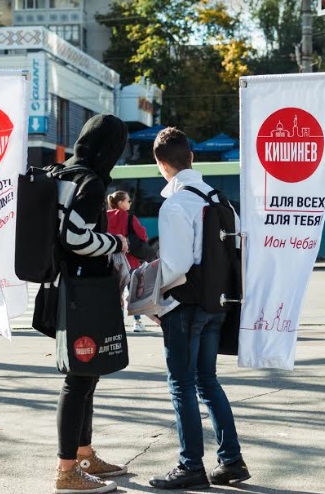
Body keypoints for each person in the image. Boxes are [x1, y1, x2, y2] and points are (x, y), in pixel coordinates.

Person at [148, 127, 250, 490]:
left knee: (182, 384)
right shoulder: (220, 200)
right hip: (217, 306)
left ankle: (191, 465)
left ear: (161, 163)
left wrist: (149, 294)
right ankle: (231, 460)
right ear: (191, 157)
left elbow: (173, 266)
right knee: (208, 381)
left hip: (184, 306)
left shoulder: (176, 204)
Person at [52, 114, 131, 494]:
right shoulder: (92, 181)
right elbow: (75, 236)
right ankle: (67, 471)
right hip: (85, 291)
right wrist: (116, 244)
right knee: (79, 379)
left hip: (68, 286)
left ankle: (83, 455)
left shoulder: (64, 172)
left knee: (88, 374)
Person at [106, 190, 149, 332]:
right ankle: (137, 322)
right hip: (130, 261)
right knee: (133, 293)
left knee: (114, 292)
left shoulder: (105, 216)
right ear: (120, 203)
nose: (130, 203)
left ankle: (116, 322)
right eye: (128, 201)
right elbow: (142, 236)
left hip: (110, 260)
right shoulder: (129, 218)